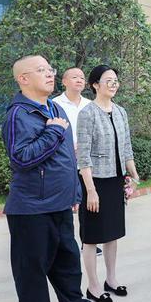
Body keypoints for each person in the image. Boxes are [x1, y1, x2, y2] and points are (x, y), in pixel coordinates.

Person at [2, 55, 111, 302]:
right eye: (41, 70)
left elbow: (66, 158)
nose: (49, 74)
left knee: (67, 263)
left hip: (60, 203)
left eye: (50, 69)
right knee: (32, 270)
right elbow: (21, 158)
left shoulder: (53, 107)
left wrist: (74, 192)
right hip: (31, 208)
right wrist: (53, 131)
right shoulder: (19, 114)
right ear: (23, 78)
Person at [77, 65, 139, 302]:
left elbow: (126, 148)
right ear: (95, 85)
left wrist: (133, 176)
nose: (114, 84)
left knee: (112, 234)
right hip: (95, 183)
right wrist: (90, 191)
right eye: (108, 80)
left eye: (116, 80)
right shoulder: (88, 113)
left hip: (115, 181)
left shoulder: (121, 111)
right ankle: (92, 287)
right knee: (92, 237)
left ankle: (111, 280)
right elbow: (83, 156)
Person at [53, 67, 103, 257]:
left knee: (87, 202)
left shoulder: (91, 105)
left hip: (86, 163)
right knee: (63, 204)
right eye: (74, 77)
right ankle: (62, 243)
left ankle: (87, 241)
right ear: (64, 81)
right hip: (64, 162)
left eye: (82, 77)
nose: (79, 80)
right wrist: (67, 146)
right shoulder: (55, 105)